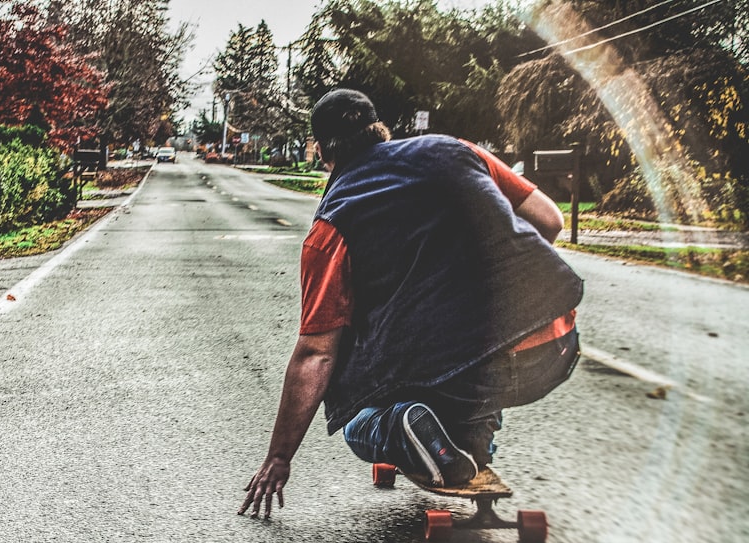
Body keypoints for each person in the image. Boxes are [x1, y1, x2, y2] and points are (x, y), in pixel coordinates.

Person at [239, 89, 583, 519]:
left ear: (322, 153)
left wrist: (279, 457)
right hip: (555, 347)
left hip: (459, 371)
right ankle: (463, 454)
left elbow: (316, 355)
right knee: (480, 349)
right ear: (380, 129)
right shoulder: (454, 149)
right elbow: (549, 220)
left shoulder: (332, 224)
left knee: (361, 421)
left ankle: (405, 431)